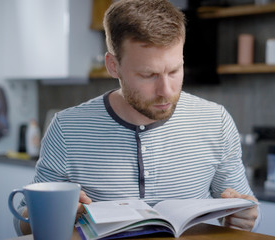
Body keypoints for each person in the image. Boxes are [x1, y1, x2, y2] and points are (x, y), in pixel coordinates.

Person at [14, 0, 259, 236]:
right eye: (148, 74)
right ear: (113, 66)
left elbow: (245, 213)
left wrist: (245, 217)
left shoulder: (216, 122)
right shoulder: (66, 129)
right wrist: (56, 213)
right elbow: (22, 222)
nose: (166, 90)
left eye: (174, 70)